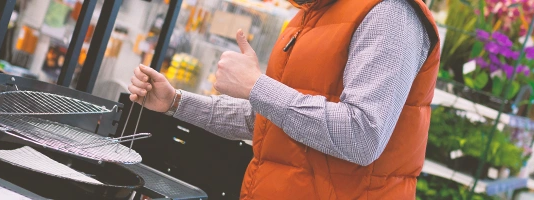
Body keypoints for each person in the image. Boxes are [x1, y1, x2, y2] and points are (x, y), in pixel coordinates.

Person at [128, 0, 440, 198]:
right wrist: (175, 102)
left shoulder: (391, 13)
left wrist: (256, 86)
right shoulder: (309, 17)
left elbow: (362, 135)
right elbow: (266, 120)